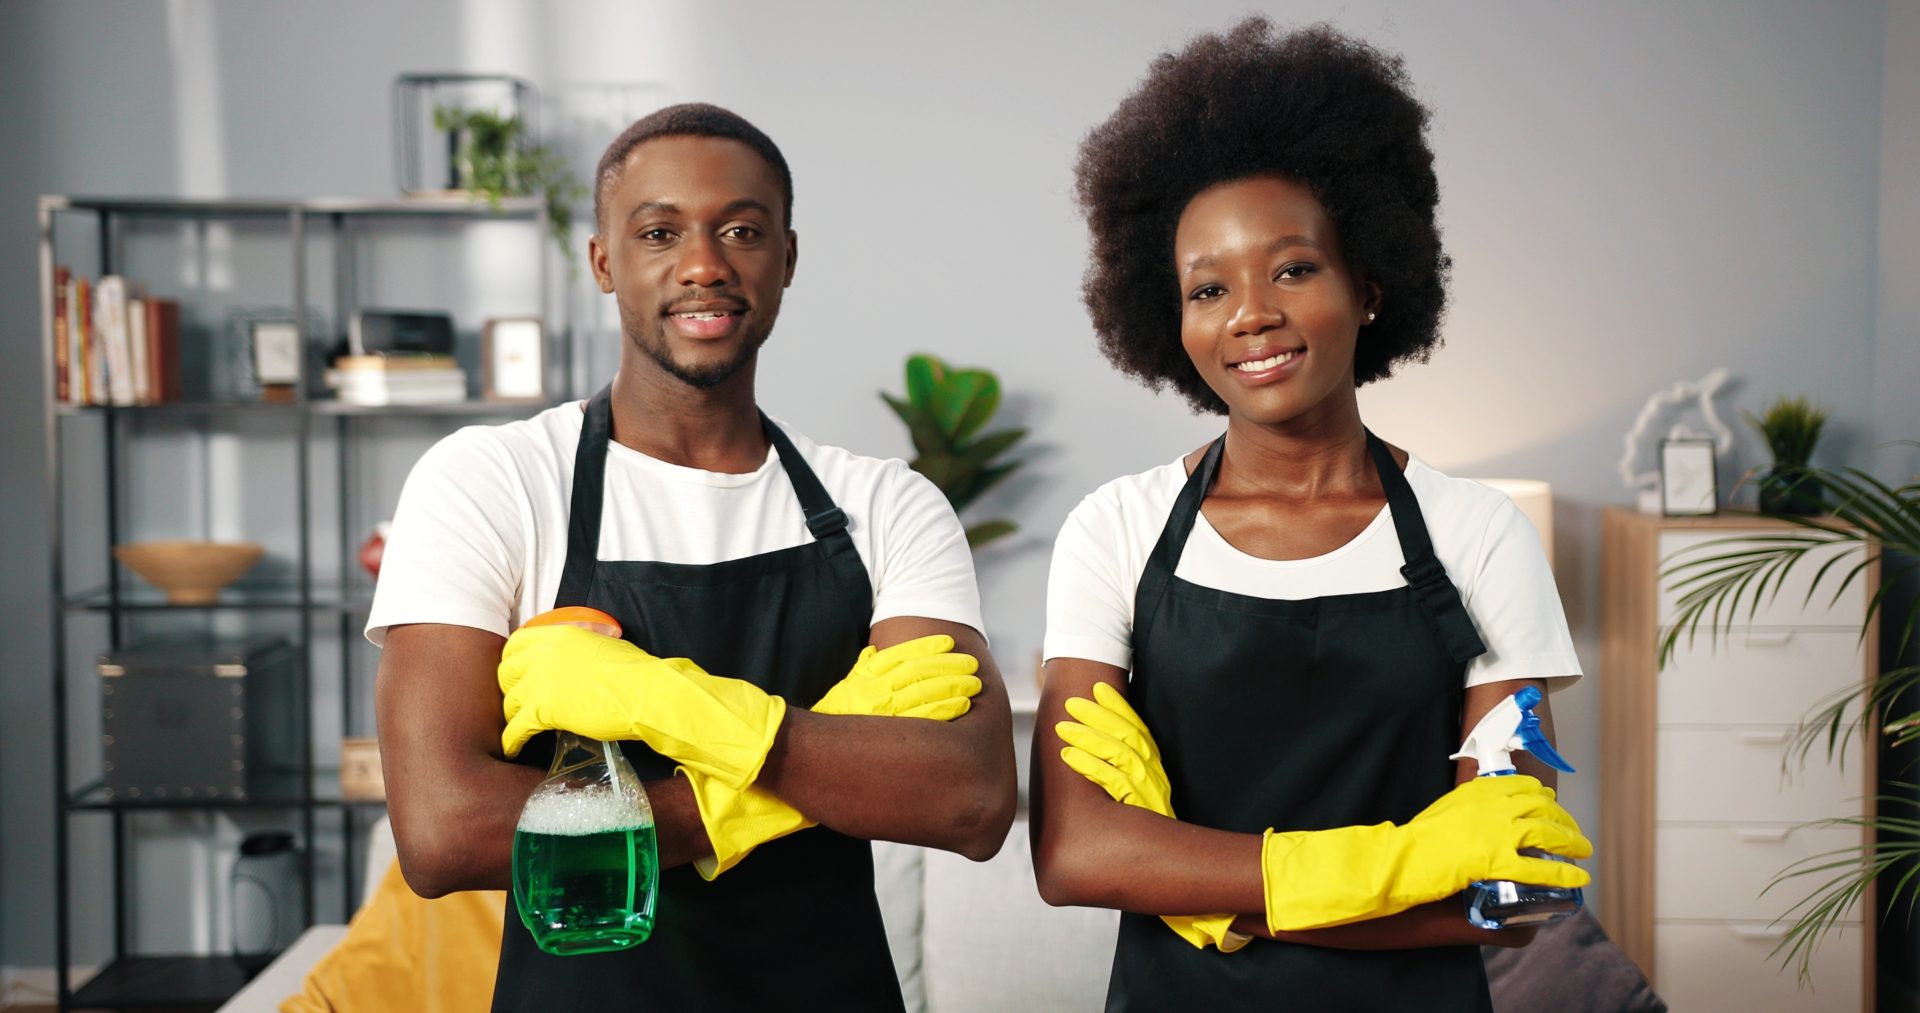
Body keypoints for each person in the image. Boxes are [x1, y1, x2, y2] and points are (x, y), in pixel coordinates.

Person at [369, 103, 1017, 1011]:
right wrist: (783, 784)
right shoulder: (494, 480)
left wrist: (658, 701)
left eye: (742, 231)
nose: (705, 264)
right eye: (660, 231)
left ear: (787, 258)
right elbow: (443, 832)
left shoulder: (886, 505)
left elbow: (970, 797)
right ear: (604, 261)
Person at [1030, 20, 1592, 1011]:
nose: (1250, 312)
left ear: (1369, 285)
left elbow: (1517, 883)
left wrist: (1201, 886)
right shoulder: (1114, 530)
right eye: (1209, 287)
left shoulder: (1477, 534)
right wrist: (1392, 863)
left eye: (1293, 268)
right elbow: (1075, 851)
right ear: (1174, 321)